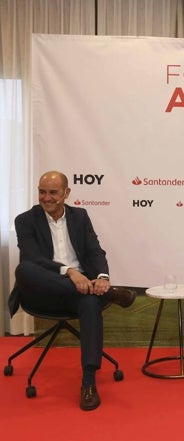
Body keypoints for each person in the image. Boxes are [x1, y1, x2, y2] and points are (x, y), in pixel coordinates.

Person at [8, 171, 136, 411]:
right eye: (42, 191)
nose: (46, 198)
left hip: (80, 291)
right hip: (43, 290)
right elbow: (33, 259)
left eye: (53, 192)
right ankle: (107, 294)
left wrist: (101, 277)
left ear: (67, 193)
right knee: (24, 269)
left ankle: (88, 382)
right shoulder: (25, 220)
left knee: (88, 302)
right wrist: (69, 272)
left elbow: (95, 251)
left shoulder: (80, 216)